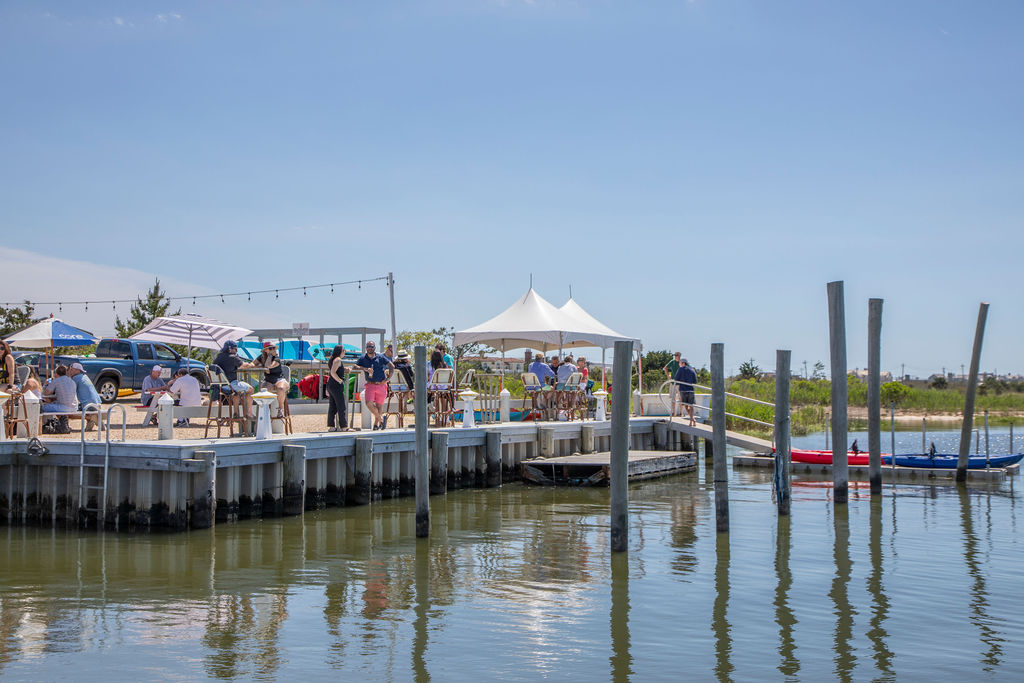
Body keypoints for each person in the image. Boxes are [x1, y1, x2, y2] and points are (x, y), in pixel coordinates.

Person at [355, 340, 394, 430]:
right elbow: (355, 366)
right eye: (368, 346)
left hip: (381, 384)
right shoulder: (362, 358)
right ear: (366, 348)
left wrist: (388, 379)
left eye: (372, 346)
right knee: (368, 403)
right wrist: (365, 369)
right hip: (370, 384)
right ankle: (381, 419)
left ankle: (376, 425)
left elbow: (391, 366)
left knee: (379, 405)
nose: (370, 348)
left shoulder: (380, 357)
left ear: (375, 348)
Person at [213, 340, 255, 419]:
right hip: (230, 385)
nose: (236, 351)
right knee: (251, 389)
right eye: (235, 349)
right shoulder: (233, 357)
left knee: (237, 391)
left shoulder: (218, 357)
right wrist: (252, 364)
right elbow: (243, 366)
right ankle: (249, 413)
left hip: (219, 386)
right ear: (230, 349)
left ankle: (236, 413)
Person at [252, 342, 289, 417]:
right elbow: (252, 364)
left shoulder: (276, 358)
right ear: (265, 350)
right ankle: (265, 410)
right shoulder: (262, 357)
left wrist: (270, 357)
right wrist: (263, 368)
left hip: (279, 379)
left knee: (280, 388)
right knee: (263, 390)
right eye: (270, 348)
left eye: (273, 348)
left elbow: (269, 366)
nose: (272, 350)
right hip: (268, 380)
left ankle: (280, 409)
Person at [326, 345, 350, 432]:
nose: (345, 352)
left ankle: (332, 426)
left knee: (332, 406)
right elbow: (332, 372)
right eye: (344, 350)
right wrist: (339, 380)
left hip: (331, 385)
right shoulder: (338, 359)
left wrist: (345, 369)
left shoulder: (333, 359)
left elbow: (333, 370)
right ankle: (344, 427)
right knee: (341, 406)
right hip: (336, 385)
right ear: (340, 351)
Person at [672, 358, 698, 427]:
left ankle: (692, 419)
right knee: (691, 405)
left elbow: (676, 379)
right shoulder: (692, 370)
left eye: (680, 363)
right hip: (690, 390)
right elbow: (695, 381)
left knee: (686, 406)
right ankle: (692, 420)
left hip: (683, 390)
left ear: (683, 363)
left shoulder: (680, 369)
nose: (679, 364)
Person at [664, 351, 682, 417]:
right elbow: (665, 367)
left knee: (680, 398)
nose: (675, 356)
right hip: (673, 382)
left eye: (676, 355)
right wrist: (668, 376)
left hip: (680, 383)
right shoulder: (672, 361)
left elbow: (688, 368)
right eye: (675, 355)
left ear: (679, 356)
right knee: (673, 398)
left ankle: (681, 412)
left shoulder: (682, 362)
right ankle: (673, 412)